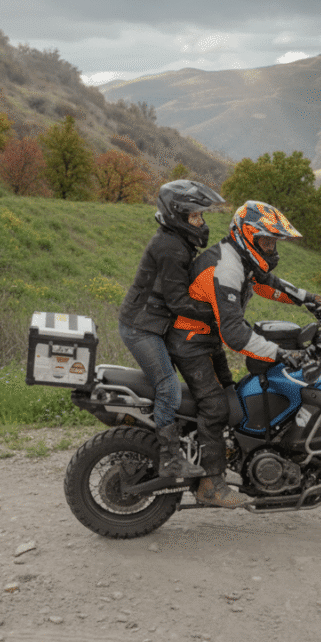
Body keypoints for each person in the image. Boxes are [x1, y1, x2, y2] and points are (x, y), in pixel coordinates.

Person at [167, 200, 321, 508]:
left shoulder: (241, 259)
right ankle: (210, 485)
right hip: (190, 342)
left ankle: (227, 456)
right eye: (266, 240)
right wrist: (281, 354)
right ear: (246, 236)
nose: (271, 248)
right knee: (215, 407)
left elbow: (267, 284)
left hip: (203, 339)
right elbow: (235, 335)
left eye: (273, 242)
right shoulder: (227, 267)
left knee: (233, 401)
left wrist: (309, 299)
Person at [117, 180, 226, 479]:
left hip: (150, 323)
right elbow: (179, 302)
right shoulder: (171, 248)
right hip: (141, 328)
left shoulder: (176, 242)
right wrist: (218, 315)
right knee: (168, 386)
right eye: (195, 217)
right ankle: (169, 459)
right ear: (177, 215)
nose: (200, 222)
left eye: (201, 217)